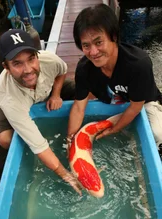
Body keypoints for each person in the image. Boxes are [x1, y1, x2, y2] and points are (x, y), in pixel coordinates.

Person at [67, 4, 162, 159]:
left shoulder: (138, 64)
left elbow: (135, 107)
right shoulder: (84, 68)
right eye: (86, 45)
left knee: (158, 134)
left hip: (142, 102)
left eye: (98, 42)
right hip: (113, 101)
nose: (93, 52)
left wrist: (114, 130)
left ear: (114, 37)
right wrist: (70, 140)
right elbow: (78, 107)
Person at [0, 28, 81, 195]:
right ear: (6, 67)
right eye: (17, 63)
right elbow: (40, 145)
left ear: (37, 56)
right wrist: (66, 175)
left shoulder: (48, 60)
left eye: (31, 59)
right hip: (19, 100)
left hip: (47, 90)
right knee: (5, 139)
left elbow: (62, 71)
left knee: (83, 93)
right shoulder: (8, 98)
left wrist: (56, 94)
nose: (28, 69)